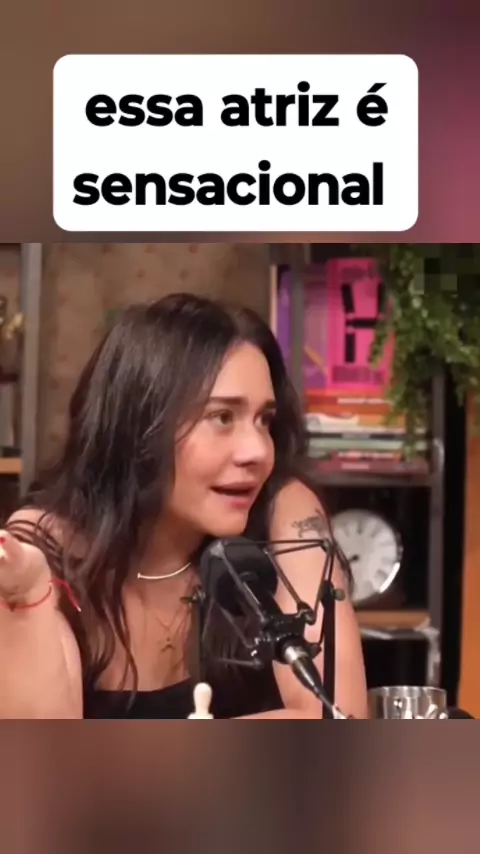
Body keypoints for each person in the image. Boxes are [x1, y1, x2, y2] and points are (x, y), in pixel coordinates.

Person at [0, 293, 367, 719]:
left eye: (264, 420)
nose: (257, 451)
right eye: (222, 418)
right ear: (139, 426)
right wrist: (30, 599)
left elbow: (336, 717)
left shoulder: (285, 512)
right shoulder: (39, 553)